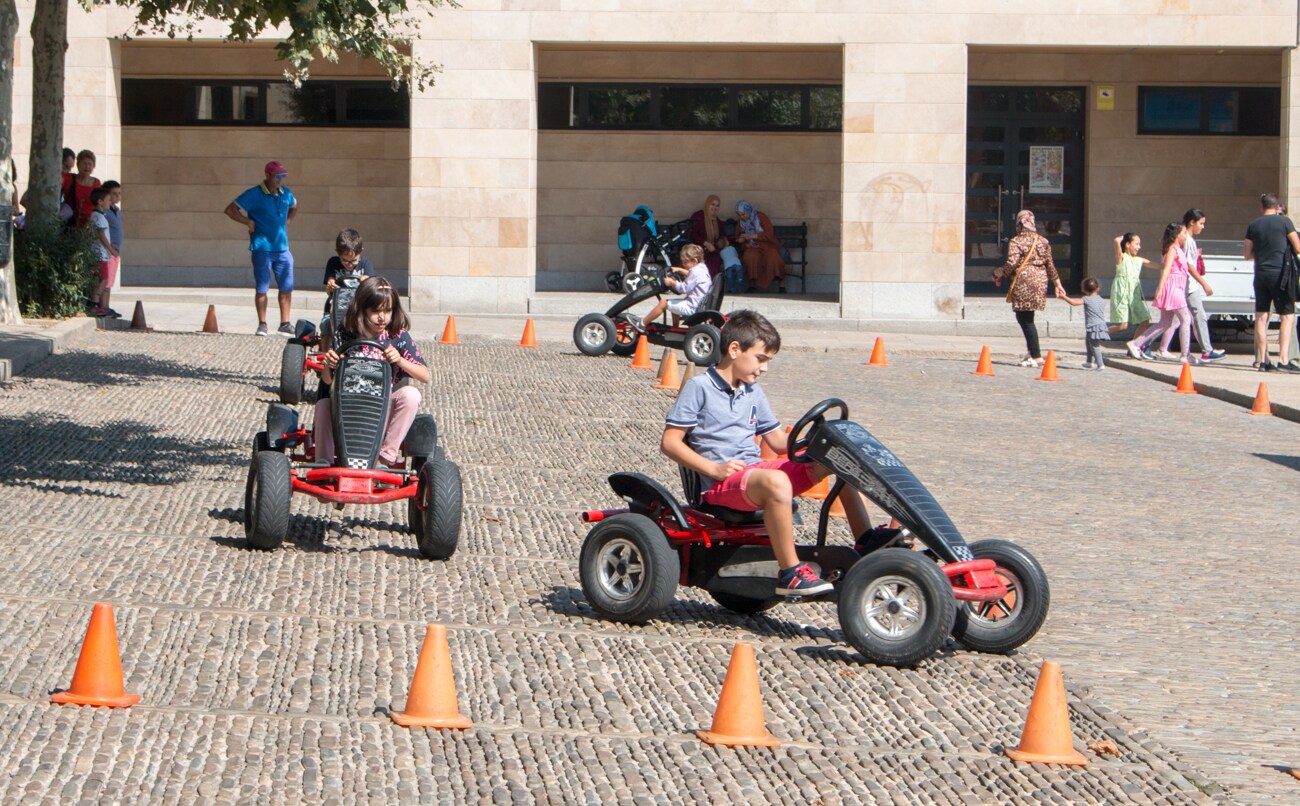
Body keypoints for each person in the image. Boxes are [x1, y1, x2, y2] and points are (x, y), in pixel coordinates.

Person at [662, 310, 895, 597]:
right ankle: (790, 572)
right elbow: (670, 443)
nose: (764, 368)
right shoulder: (699, 388)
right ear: (735, 349)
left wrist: (817, 439)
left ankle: (865, 539)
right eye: (761, 359)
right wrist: (713, 469)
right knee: (777, 481)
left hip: (753, 475)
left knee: (837, 458)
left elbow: (778, 442)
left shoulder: (752, 391)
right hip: (721, 483)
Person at [314, 277, 429, 467]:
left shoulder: (397, 336)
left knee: (411, 395)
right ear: (362, 310)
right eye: (375, 311)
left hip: (380, 407)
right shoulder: (345, 333)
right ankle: (324, 463)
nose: (382, 317)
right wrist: (330, 364)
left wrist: (400, 360)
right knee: (323, 404)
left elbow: (425, 375)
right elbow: (327, 381)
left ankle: (384, 458)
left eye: (387, 310)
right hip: (346, 407)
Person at [225, 160, 298, 336]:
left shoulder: (285, 193)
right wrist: (248, 221)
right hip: (262, 248)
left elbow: (295, 205)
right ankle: (262, 324)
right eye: (277, 176)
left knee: (286, 287)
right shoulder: (254, 194)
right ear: (267, 175)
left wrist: (288, 220)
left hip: (282, 249)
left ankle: (285, 323)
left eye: (283, 176)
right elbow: (230, 210)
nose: (280, 179)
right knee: (262, 287)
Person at [992, 209, 1065, 367]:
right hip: (1040, 282)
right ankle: (1033, 352)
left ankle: (1036, 355)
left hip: (1024, 282)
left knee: (1024, 319)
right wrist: (1058, 284)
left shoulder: (1016, 241)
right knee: (1027, 317)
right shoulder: (1043, 241)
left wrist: (998, 273)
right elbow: (1050, 265)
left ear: (1019, 224)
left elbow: (1012, 263)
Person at [1244, 193, 1300, 372]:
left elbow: (1247, 255)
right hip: (1281, 274)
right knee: (1287, 316)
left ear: (1262, 207)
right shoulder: (1285, 222)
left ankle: (1263, 360)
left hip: (1260, 273)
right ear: (1277, 208)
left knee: (1261, 316)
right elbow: (1297, 247)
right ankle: (1283, 359)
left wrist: (1262, 252)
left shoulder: (1253, 225)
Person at [1127, 223, 1194, 362]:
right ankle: (1185, 354)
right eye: (1183, 233)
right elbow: (1167, 269)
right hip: (1173, 288)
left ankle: (1136, 343)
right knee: (1185, 319)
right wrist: (1161, 287)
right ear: (1176, 235)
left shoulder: (1177, 250)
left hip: (1176, 287)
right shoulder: (1173, 250)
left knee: (1164, 323)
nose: (1186, 236)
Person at [630, 244, 712, 331]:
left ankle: (641, 324)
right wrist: (679, 270)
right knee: (673, 303)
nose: (683, 264)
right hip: (698, 305)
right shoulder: (702, 268)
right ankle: (675, 329)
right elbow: (692, 276)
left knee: (663, 303)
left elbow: (683, 289)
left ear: (694, 260)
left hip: (692, 307)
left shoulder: (695, 272)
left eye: (685, 262)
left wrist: (672, 282)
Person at [1180, 209, 1225, 362]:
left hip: (1188, 286)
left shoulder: (1189, 240)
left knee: (1172, 321)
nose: (1203, 227)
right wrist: (1204, 284)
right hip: (1188, 286)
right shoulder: (1187, 239)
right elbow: (1189, 266)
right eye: (1201, 223)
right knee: (1198, 316)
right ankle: (1206, 350)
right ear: (1192, 222)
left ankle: (1206, 349)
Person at [1107, 233, 1154, 341]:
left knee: (1145, 320)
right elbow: (1118, 253)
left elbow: (1156, 265)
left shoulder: (1138, 259)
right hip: (1122, 293)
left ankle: (1133, 346)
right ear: (1128, 244)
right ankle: (1098, 334)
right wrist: (1117, 241)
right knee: (1123, 326)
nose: (1139, 247)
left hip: (1134, 295)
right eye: (1136, 244)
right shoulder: (1122, 258)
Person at [1056, 277, 1108, 370]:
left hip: (1093, 326)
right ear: (1098, 288)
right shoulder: (1100, 299)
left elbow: (1074, 303)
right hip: (1100, 324)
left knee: (1095, 345)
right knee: (1088, 342)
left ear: (1084, 289)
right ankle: (1089, 362)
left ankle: (1100, 365)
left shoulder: (1086, 299)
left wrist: (1064, 297)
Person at [734, 201, 785, 293]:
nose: (742, 217)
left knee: (774, 258)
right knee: (750, 257)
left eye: (743, 214)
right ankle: (752, 284)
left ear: (748, 210)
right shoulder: (741, 223)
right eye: (740, 215)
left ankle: (781, 284)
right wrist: (742, 240)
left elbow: (769, 235)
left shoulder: (761, 217)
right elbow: (738, 237)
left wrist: (753, 236)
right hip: (752, 247)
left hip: (768, 245)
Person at [688, 194, 738, 282]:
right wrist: (705, 243)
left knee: (715, 258)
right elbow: (692, 233)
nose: (715, 207)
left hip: (711, 250)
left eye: (717, 205)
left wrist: (732, 239)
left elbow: (722, 237)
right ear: (707, 204)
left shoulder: (716, 220)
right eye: (712, 204)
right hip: (698, 249)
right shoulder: (698, 215)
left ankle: (711, 284)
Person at [87, 188, 120, 317]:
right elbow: (101, 235)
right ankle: (94, 303)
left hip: (100, 252)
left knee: (101, 279)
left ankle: (95, 303)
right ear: (100, 202)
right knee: (103, 279)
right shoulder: (98, 217)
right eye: (108, 200)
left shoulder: (98, 216)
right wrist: (111, 250)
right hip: (100, 254)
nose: (110, 202)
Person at [61, 150, 100, 228]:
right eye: (84, 163)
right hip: (69, 223)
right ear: (78, 165)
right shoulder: (68, 178)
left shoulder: (97, 183)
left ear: (94, 166)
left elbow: (99, 203)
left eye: (90, 164)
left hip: (89, 225)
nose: (87, 167)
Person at [101, 180, 123, 305]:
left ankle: (107, 306)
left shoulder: (117, 210)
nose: (117, 196)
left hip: (116, 249)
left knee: (110, 280)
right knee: (105, 280)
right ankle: (103, 305)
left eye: (119, 193)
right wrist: (109, 248)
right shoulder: (104, 212)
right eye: (114, 194)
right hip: (108, 249)